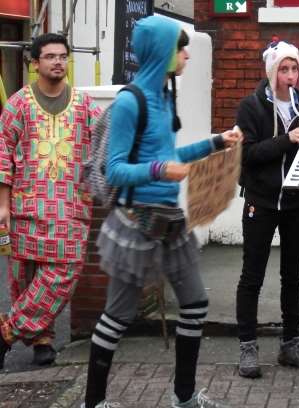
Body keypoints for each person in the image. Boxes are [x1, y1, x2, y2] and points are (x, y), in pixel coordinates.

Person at [81, 16, 240, 408]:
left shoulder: (164, 97)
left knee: (196, 304)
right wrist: (158, 169)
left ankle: (183, 398)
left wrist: (215, 143)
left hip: (169, 222)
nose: (185, 54)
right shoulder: (128, 102)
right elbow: (116, 168)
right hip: (135, 225)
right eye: (179, 48)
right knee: (117, 316)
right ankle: (93, 403)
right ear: (159, 53)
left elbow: (170, 157)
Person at [0, 33, 101, 369]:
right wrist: (3, 205)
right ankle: (42, 339)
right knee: (24, 277)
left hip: (71, 207)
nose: (58, 62)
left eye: (62, 56)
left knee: (63, 269)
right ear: (35, 62)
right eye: (50, 56)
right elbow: (2, 156)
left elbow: (108, 140)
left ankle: (8, 332)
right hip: (25, 205)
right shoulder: (18, 104)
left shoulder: (85, 106)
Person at [234, 38, 299, 379]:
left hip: (298, 201)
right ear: (271, 71)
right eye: (283, 69)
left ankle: (291, 343)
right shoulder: (251, 107)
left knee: (294, 274)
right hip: (262, 199)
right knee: (252, 274)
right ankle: (247, 346)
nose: (290, 75)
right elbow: (248, 154)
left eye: (294, 68)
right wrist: (288, 139)